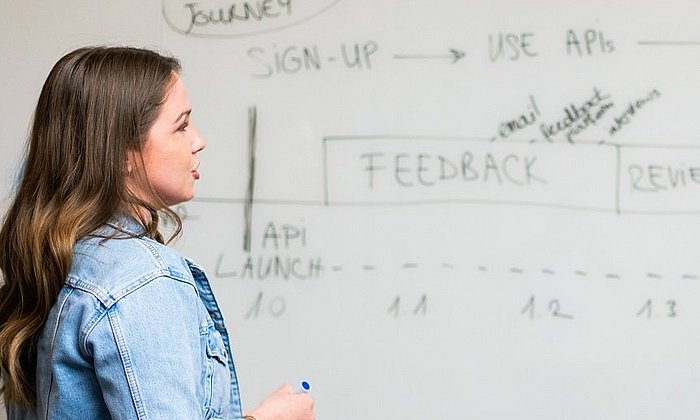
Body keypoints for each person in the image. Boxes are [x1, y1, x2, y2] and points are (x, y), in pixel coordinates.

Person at [0, 46, 315, 420]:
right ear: (122, 153)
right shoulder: (143, 279)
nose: (199, 140)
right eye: (181, 125)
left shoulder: (58, 258)